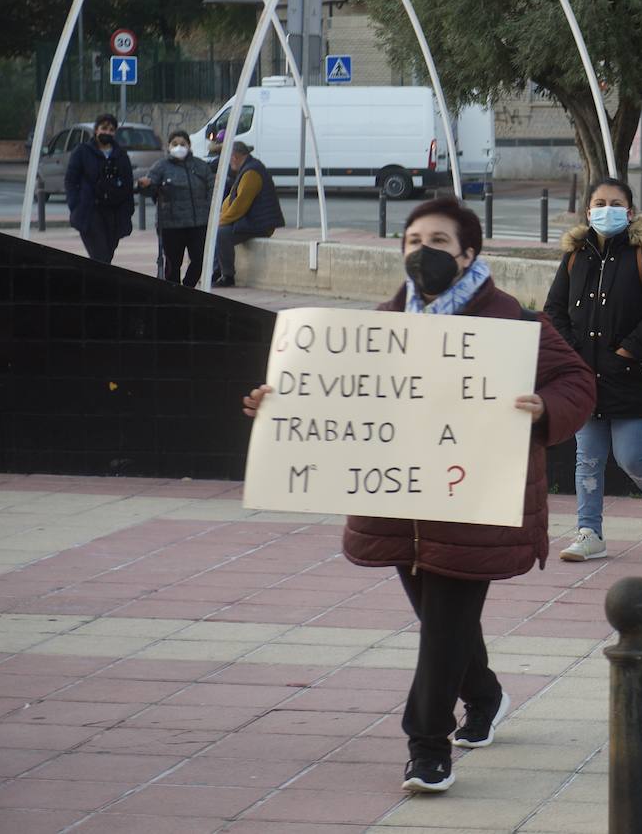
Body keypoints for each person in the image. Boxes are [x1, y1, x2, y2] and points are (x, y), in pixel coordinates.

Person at [243, 197, 596, 793]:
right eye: (413, 241)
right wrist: (280, 405)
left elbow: (576, 382)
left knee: (444, 628)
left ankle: (428, 747)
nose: (422, 252)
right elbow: (341, 397)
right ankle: (484, 696)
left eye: (438, 242)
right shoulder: (380, 327)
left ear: (468, 254)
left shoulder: (511, 323)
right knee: (444, 625)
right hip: (400, 508)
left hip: (476, 506)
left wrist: (544, 409)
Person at [544, 177, 642, 561]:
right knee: (587, 459)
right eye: (600, 203)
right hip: (585, 376)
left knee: (631, 456)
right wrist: (573, 354)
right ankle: (589, 532)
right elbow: (554, 309)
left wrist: (625, 352)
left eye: (616, 203)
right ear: (588, 211)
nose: (608, 210)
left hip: (633, 375)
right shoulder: (575, 256)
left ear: (630, 211)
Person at [139, 130, 212, 287]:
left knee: (199, 259)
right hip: (171, 225)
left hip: (198, 223)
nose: (179, 147)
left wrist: (207, 209)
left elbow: (212, 188)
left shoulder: (200, 166)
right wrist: (145, 185)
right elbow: (150, 189)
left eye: (183, 144)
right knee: (173, 263)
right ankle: (173, 291)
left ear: (189, 146)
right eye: (175, 144)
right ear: (169, 146)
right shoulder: (161, 167)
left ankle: (188, 288)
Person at [65, 114, 134, 263]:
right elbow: (71, 180)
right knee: (100, 256)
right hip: (90, 211)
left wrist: (127, 212)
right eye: (104, 128)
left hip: (114, 213)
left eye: (111, 130)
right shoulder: (82, 151)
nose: (107, 132)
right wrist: (75, 205)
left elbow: (128, 185)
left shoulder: (121, 155)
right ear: (96, 130)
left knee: (108, 255)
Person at [214, 141, 284, 287]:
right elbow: (232, 199)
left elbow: (240, 205)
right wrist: (221, 217)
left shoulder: (251, 173)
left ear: (234, 156)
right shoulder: (247, 169)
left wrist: (221, 221)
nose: (228, 162)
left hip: (260, 224)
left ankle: (227, 276)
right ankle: (215, 272)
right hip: (251, 221)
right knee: (218, 231)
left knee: (221, 233)